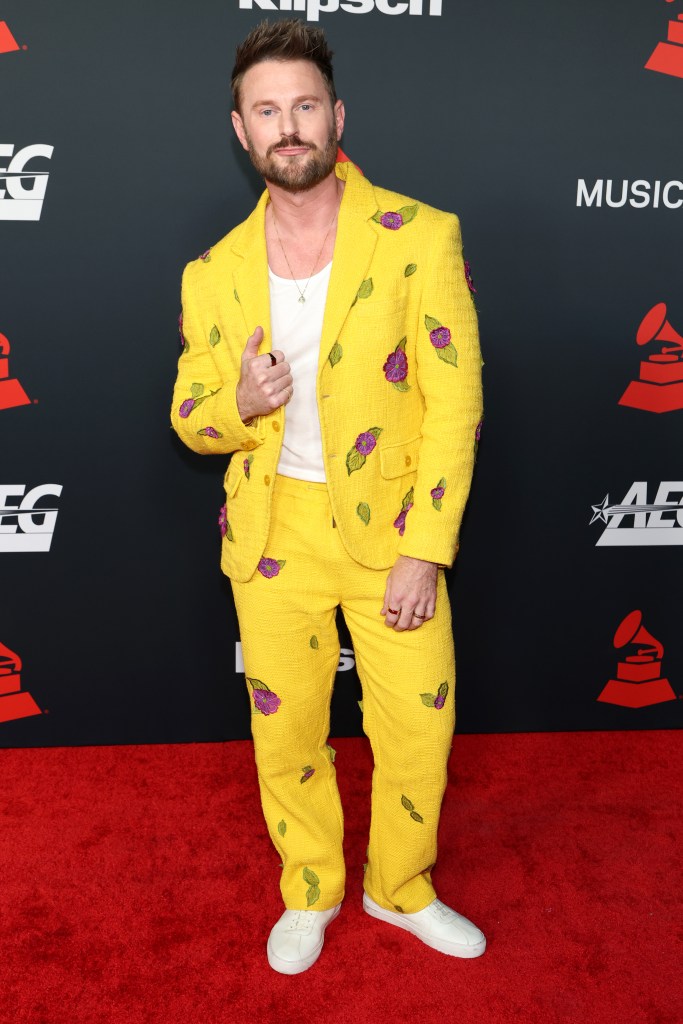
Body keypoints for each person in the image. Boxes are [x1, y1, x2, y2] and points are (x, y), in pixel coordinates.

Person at [171, 18, 484, 975]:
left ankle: (402, 888)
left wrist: (424, 547)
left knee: (416, 727)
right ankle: (309, 886)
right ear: (241, 131)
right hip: (273, 537)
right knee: (290, 733)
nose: (288, 125)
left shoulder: (420, 237)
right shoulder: (213, 273)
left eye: (304, 105)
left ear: (336, 115)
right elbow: (189, 414)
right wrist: (237, 401)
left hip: (391, 531)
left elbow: (454, 398)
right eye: (267, 110)